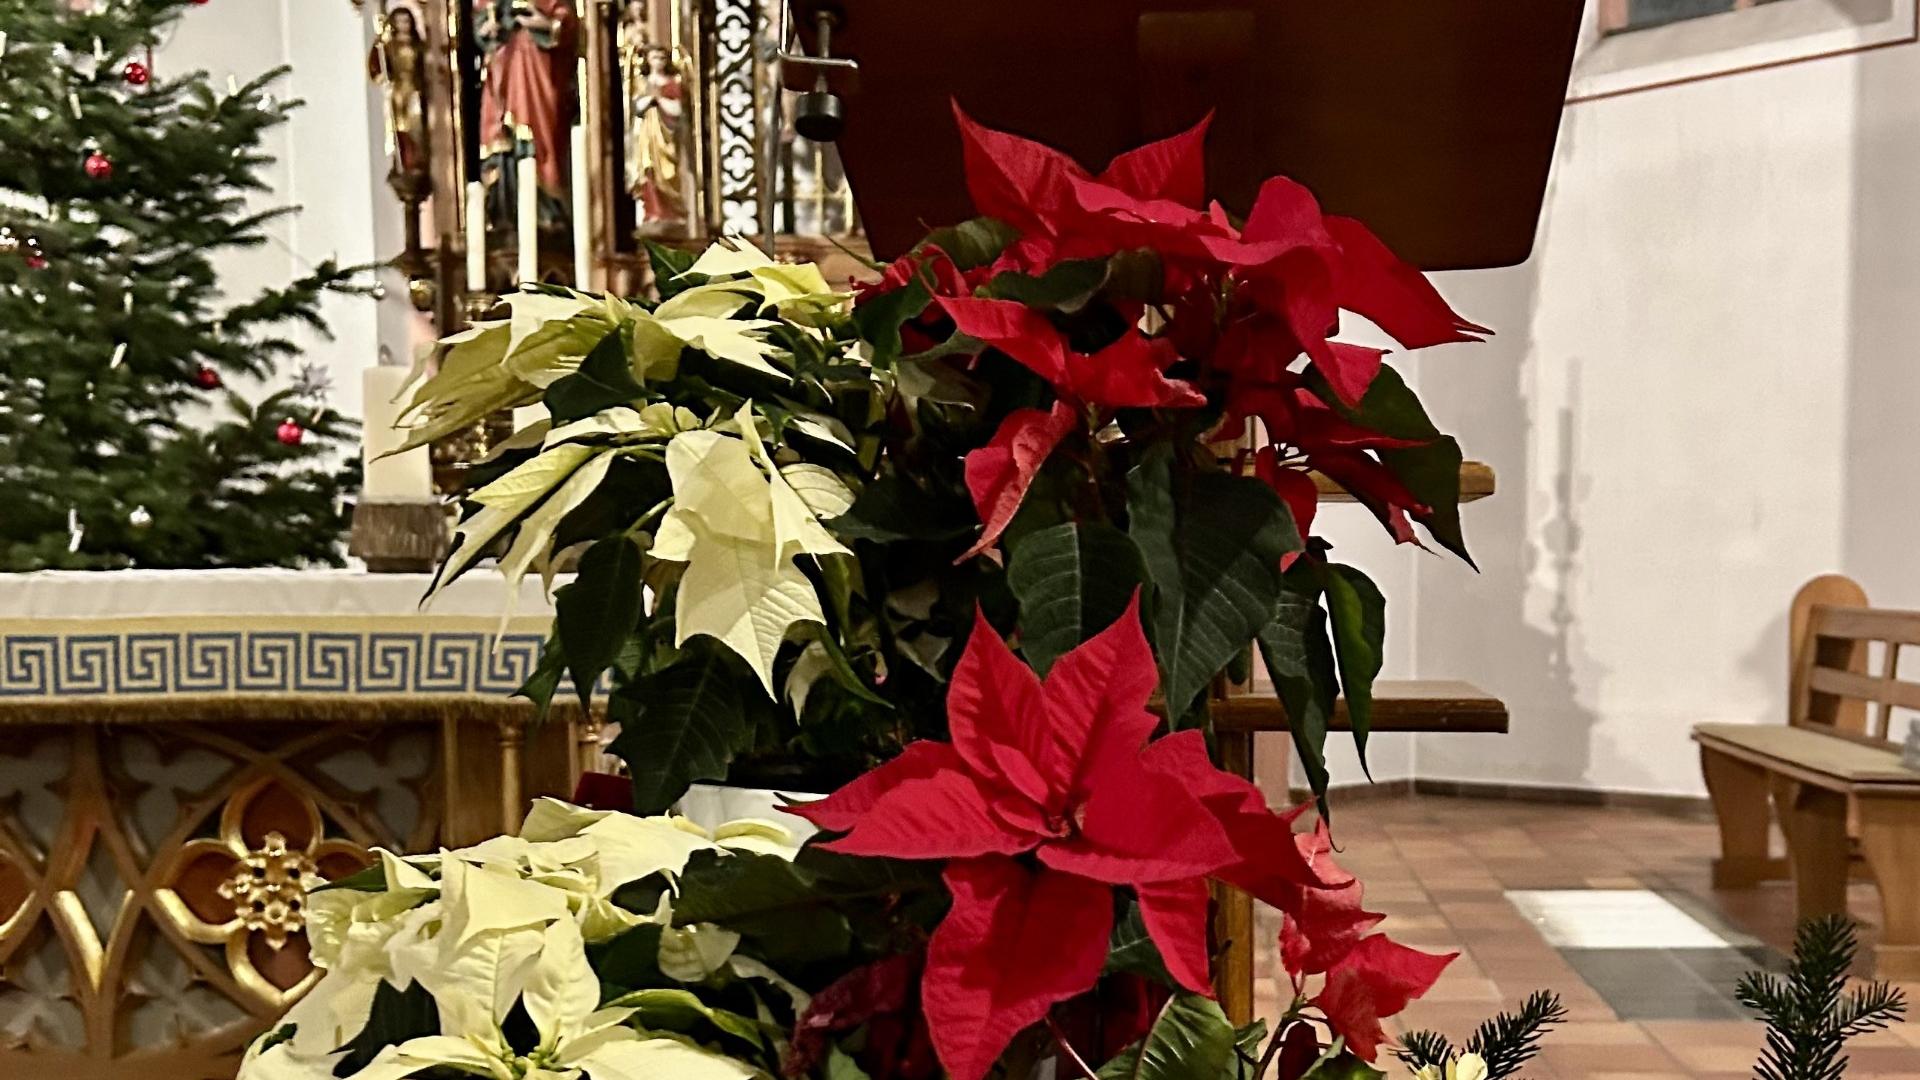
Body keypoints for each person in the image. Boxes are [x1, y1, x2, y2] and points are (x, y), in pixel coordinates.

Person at [473, 0, 578, 222]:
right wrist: (487, 29)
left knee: (539, 136)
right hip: (502, 67)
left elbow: (566, 20)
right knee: (503, 138)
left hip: (537, 70)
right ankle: (505, 208)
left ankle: (547, 208)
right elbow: (481, 20)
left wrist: (545, 23)